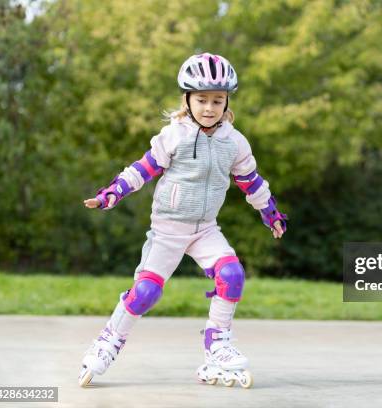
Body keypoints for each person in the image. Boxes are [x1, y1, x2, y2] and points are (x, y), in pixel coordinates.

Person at [78, 53, 287, 389]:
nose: (209, 107)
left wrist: (270, 213)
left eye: (217, 100)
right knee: (145, 291)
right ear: (187, 100)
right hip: (167, 229)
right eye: (201, 99)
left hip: (205, 229)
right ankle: (108, 341)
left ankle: (217, 345)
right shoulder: (173, 135)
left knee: (231, 274)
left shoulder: (234, 142)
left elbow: (252, 182)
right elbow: (143, 169)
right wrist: (113, 193)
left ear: (227, 102)